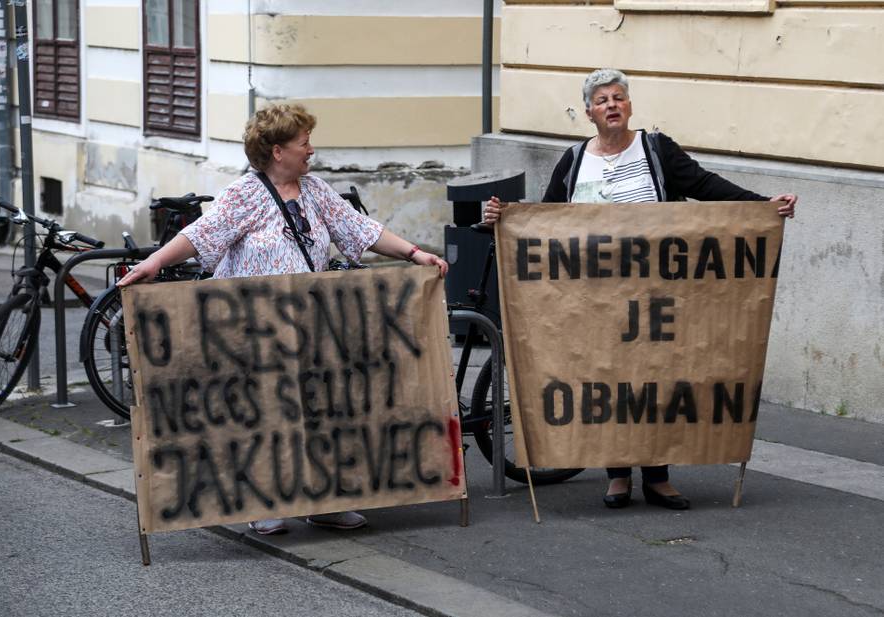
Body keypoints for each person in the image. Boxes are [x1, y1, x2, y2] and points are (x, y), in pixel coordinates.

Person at [119, 103, 448, 533]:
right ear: (277, 151)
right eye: (303, 142)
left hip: (313, 324)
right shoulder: (245, 195)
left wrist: (413, 253)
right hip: (254, 331)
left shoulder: (315, 191)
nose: (310, 149)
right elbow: (201, 234)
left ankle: (326, 498)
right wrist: (155, 264)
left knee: (323, 411)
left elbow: (360, 229)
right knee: (266, 416)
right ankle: (263, 501)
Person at [482, 68, 797, 511]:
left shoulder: (656, 149)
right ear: (589, 113)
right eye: (602, 100)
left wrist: (762, 206)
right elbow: (545, 217)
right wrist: (504, 219)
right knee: (607, 377)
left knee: (657, 376)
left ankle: (658, 477)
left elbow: (705, 186)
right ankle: (617, 476)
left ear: (629, 106)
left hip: (656, 295)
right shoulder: (574, 161)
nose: (612, 105)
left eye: (619, 98)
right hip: (593, 298)